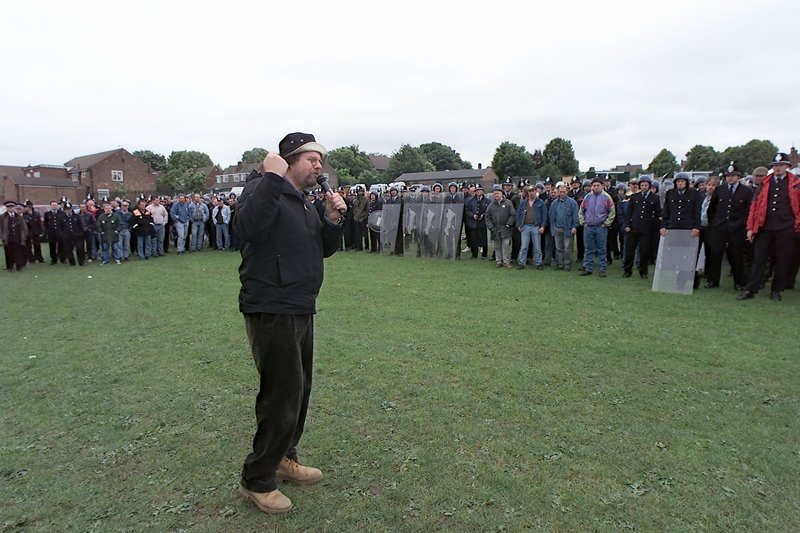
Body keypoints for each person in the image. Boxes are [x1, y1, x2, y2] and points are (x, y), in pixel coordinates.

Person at [234, 132, 346, 515]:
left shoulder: (302, 200)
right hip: (272, 306)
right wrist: (270, 177)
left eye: (320, 160)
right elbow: (246, 228)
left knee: (299, 390)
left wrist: (331, 220)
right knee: (282, 393)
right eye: (311, 159)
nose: (319, 166)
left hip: (300, 305)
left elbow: (321, 249)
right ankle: (257, 479)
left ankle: (283, 458)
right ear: (288, 161)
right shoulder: (261, 189)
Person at [737, 152, 800, 301]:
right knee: (758, 259)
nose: (778, 168)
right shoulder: (765, 182)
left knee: (782, 260)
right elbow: (754, 206)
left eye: (781, 165)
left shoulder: (796, 183)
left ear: (787, 167)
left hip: (786, 227)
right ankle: (750, 289)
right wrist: (750, 228)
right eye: (775, 165)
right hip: (765, 227)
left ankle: (776, 290)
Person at [706, 162, 752, 290]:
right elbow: (712, 208)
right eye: (728, 176)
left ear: (738, 176)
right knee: (715, 254)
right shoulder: (720, 189)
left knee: (736, 255)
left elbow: (749, 210)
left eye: (732, 175)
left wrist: (743, 224)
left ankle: (739, 282)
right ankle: (713, 280)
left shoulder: (746, 191)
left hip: (737, 229)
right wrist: (714, 223)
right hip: (720, 227)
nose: (730, 178)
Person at [623, 175, 661, 279]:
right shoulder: (634, 197)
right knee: (629, 250)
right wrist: (627, 225)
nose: (644, 187)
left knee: (644, 251)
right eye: (642, 185)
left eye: (646, 185)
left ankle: (643, 271)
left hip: (647, 229)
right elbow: (629, 213)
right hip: (633, 228)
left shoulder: (655, 198)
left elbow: (658, 213)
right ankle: (627, 270)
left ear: (649, 186)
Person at [578, 177, 615, 277]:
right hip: (588, 227)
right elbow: (581, 210)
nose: (596, 187)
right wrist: (583, 222)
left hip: (601, 227)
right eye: (594, 185)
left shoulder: (607, 197)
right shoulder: (587, 197)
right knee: (588, 249)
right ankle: (588, 268)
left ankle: (602, 269)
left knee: (601, 249)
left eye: (598, 185)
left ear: (602, 186)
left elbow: (612, 211)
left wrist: (606, 223)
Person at [548, 183, 580, 271]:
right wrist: (553, 228)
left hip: (568, 229)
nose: (562, 193)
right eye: (560, 192)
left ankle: (567, 265)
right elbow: (551, 216)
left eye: (564, 192)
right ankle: (560, 264)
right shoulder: (554, 203)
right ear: (558, 192)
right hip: (557, 229)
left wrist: (574, 227)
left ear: (567, 192)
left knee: (567, 248)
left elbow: (575, 216)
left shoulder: (572, 203)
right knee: (558, 248)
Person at [515, 185, 547, 270]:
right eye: (530, 191)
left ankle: (538, 263)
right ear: (528, 192)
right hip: (525, 226)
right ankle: (522, 263)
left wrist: (543, 226)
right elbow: (518, 214)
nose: (531, 193)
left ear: (536, 191)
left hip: (536, 226)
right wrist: (519, 225)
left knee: (537, 247)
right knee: (524, 247)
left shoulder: (541, 202)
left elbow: (544, 215)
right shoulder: (523, 202)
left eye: (533, 191)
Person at [1, 201, 29, 271]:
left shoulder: (19, 216)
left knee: (18, 253)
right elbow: (1, 228)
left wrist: (24, 236)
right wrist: (2, 236)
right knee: (9, 253)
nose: (10, 208)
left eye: (12, 207)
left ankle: (19, 266)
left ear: (14, 208)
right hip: (8, 238)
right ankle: (10, 267)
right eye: (8, 207)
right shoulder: (2, 217)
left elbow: (24, 227)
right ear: (6, 208)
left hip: (18, 237)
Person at [465, 184, 489, 259]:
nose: (478, 192)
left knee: (484, 238)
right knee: (474, 239)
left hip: (483, 222)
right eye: (477, 191)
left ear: (483, 191)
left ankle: (484, 255)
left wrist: (483, 215)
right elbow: (467, 210)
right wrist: (473, 215)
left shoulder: (487, 200)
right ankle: (474, 254)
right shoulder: (471, 201)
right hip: (474, 222)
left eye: (480, 190)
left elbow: (489, 211)